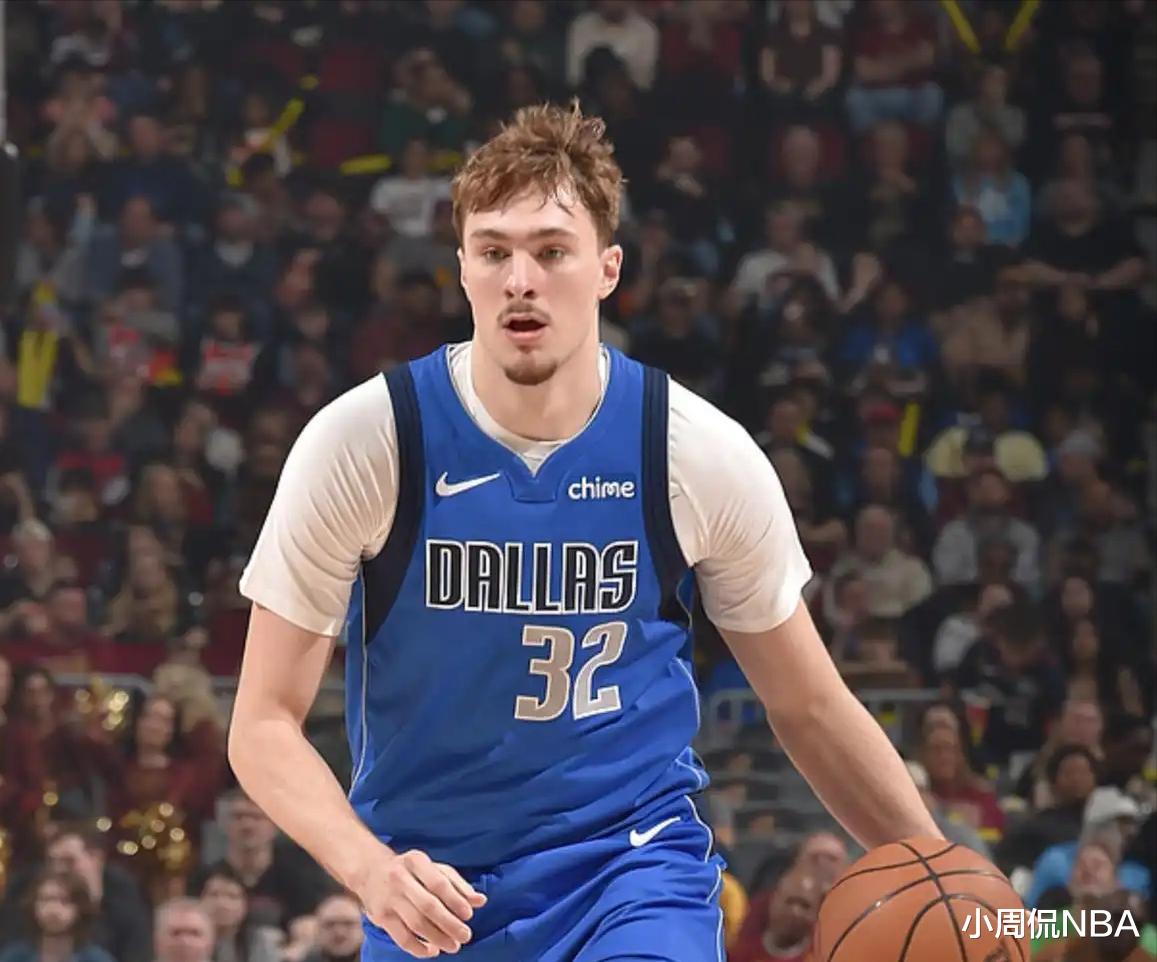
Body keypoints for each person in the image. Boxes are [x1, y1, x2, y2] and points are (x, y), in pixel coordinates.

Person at [229, 102, 940, 961]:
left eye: (551, 251)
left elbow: (809, 706)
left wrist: (947, 879)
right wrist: (368, 870)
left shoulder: (693, 452)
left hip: (631, 870)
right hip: (429, 888)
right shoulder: (366, 442)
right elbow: (261, 723)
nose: (519, 279)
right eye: (494, 252)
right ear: (462, 270)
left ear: (607, 268)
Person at [0, 871, 116, 962]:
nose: (53, 909)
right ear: (33, 906)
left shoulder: (96, 959)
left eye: (64, 901)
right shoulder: (15, 957)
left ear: (80, 908)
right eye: (45, 900)